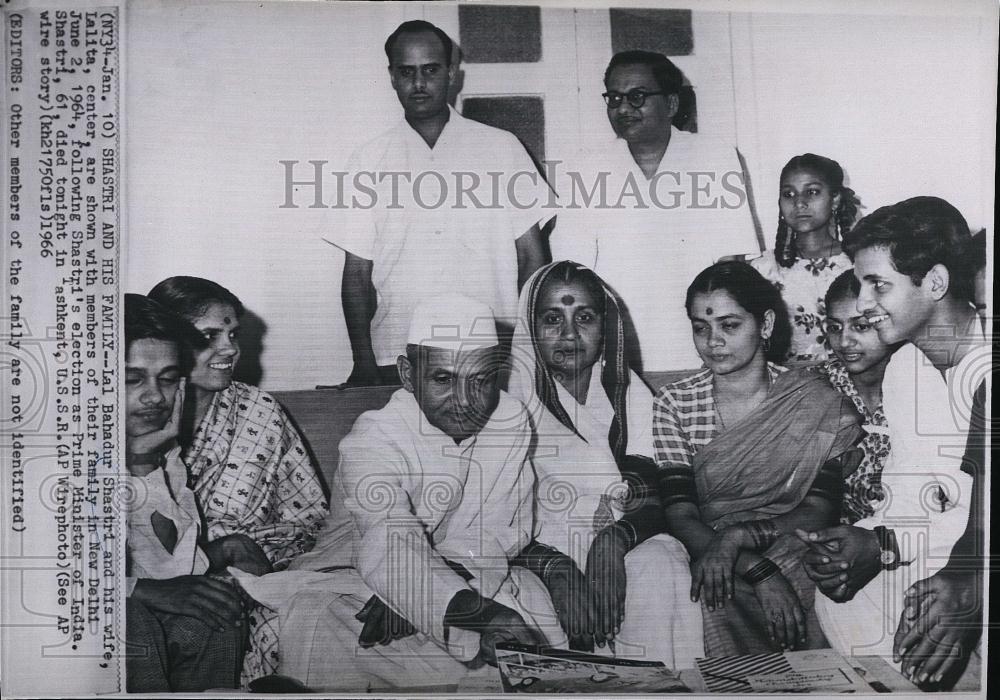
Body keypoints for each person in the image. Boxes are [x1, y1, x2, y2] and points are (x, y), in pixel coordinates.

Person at [248, 297, 562, 690]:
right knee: (321, 617)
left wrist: (440, 589)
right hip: (348, 579)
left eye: (480, 381)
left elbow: (506, 527)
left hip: (470, 571)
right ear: (408, 375)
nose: (465, 401)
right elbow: (386, 536)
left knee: (530, 600)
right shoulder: (374, 437)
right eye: (444, 380)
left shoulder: (509, 418)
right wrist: (460, 606)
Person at [802, 197, 988, 690]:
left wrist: (970, 580)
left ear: (935, 283)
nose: (863, 303)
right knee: (843, 598)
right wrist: (874, 542)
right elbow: (913, 503)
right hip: (947, 564)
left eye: (877, 284)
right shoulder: (905, 368)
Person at [652, 261, 861, 656]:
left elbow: (819, 510)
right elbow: (681, 514)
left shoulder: (813, 399)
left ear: (764, 325)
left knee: (821, 571)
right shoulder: (674, 402)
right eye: (701, 327)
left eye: (729, 326)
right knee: (710, 589)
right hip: (712, 547)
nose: (713, 341)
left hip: (793, 541)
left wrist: (740, 538)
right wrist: (752, 565)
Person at [507, 261, 703, 669]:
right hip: (529, 553)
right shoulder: (504, 405)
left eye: (584, 317)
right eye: (551, 319)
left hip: (617, 538)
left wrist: (613, 542)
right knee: (513, 595)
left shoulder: (628, 395)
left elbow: (651, 496)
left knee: (660, 562)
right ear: (529, 328)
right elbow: (489, 520)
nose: (569, 334)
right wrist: (554, 565)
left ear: (605, 326)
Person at [334, 20, 549, 386]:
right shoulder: (369, 159)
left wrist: (527, 351)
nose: (419, 84)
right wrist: (363, 362)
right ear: (392, 76)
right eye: (407, 72)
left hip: (491, 353)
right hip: (398, 356)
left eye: (431, 70)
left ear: (451, 72)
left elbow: (533, 258)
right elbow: (356, 274)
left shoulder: (502, 148)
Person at [148, 276, 328, 683]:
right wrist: (221, 553)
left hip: (272, 571)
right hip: (180, 582)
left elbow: (311, 518)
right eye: (209, 335)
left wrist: (271, 572)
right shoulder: (137, 417)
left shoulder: (258, 410)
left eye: (232, 334)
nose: (229, 348)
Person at [551, 50, 759, 372]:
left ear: (672, 104)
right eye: (614, 98)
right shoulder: (586, 167)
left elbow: (729, 268)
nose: (622, 108)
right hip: (614, 359)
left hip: (700, 354)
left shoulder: (713, 155)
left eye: (637, 97)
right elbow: (572, 275)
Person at [124, 294, 248, 692]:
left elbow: (175, 577)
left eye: (166, 378)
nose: (155, 397)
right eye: (133, 379)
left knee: (213, 612)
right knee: (129, 621)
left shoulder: (163, 455)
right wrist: (136, 591)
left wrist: (143, 466)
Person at [750, 154, 861, 362]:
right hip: (789, 387)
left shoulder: (857, 263)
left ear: (835, 199)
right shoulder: (764, 270)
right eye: (789, 194)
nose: (799, 203)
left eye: (812, 192)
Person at [815, 270, 896, 524]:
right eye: (834, 327)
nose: (844, 340)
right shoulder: (818, 386)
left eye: (860, 326)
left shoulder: (919, 381)